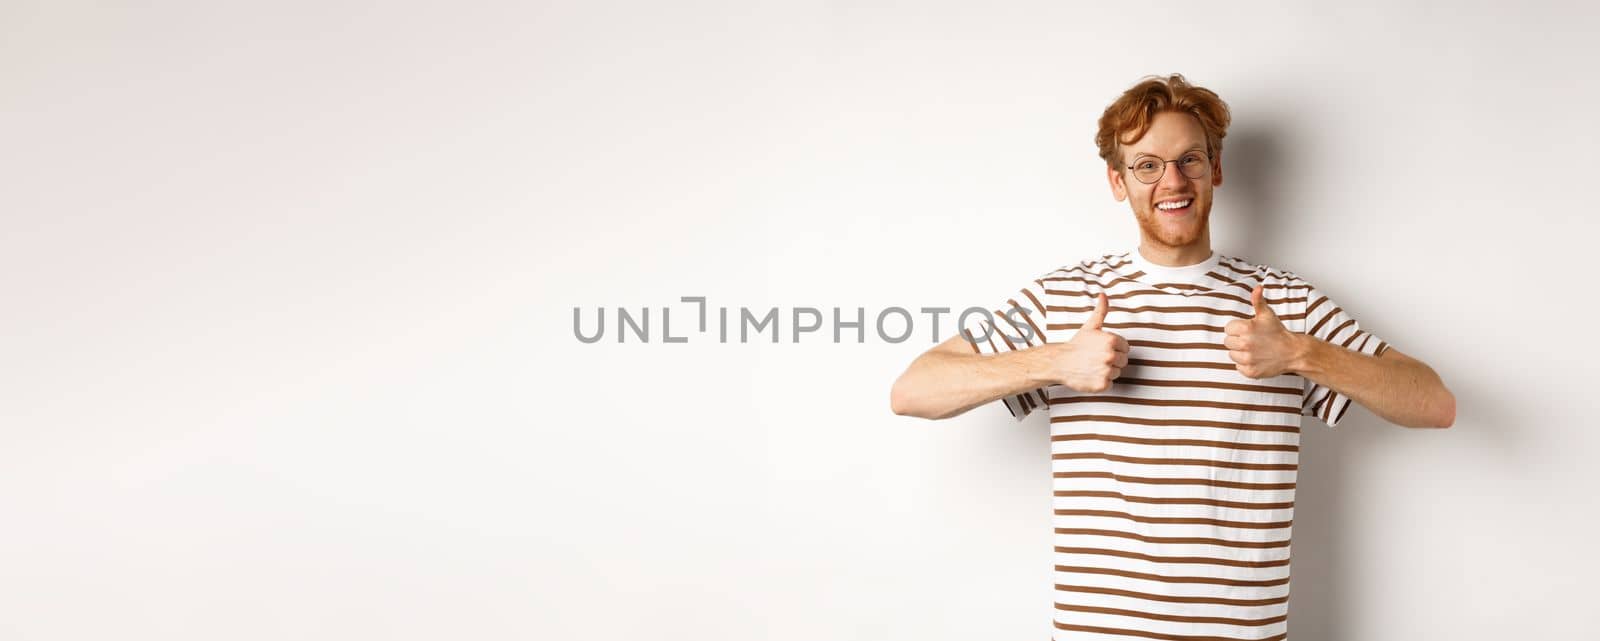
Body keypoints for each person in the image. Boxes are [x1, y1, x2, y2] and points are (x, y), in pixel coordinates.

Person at [888, 73, 1455, 640]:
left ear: (1217, 168)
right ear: (1118, 181)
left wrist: (1302, 354)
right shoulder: (1065, 298)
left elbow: (1433, 403)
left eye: (1190, 160)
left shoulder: (1284, 304)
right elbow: (914, 390)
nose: (1172, 181)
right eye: (1148, 165)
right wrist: (1054, 361)